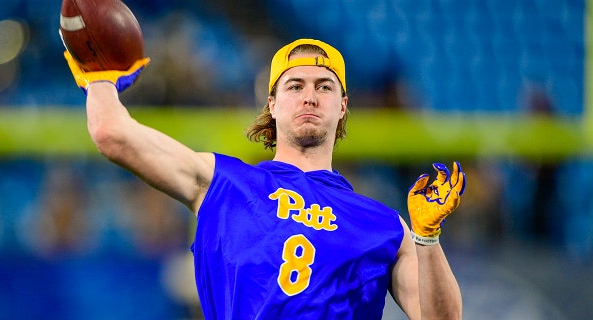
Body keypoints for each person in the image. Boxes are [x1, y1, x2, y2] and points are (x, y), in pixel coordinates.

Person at [63, 38, 465, 319]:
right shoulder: (221, 182)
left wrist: (427, 239)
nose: (310, 96)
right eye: (295, 85)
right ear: (272, 104)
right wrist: (100, 78)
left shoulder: (385, 225)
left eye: (324, 87)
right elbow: (111, 134)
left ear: (343, 107)